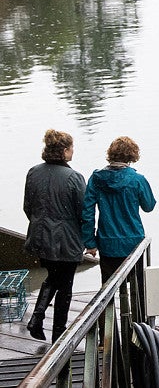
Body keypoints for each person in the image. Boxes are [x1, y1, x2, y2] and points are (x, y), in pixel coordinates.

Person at [23, 129, 85, 341]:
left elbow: (27, 207)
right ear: (65, 151)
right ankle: (58, 332)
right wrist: (88, 239)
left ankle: (38, 319)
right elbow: (82, 212)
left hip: (40, 237)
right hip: (65, 240)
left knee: (53, 276)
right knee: (65, 285)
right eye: (72, 148)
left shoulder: (33, 172)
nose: (73, 151)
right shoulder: (74, 177)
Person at [83, 136, 157, 283]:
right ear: (132, 156)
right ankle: (139, 305)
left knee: (108, 287)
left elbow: (87, 212)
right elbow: (149, 206)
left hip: (107, 242)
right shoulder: (137, 179)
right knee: (138, 285)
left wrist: (90, 243)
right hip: (133, 241)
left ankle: (109, 306)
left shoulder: (96, 179)